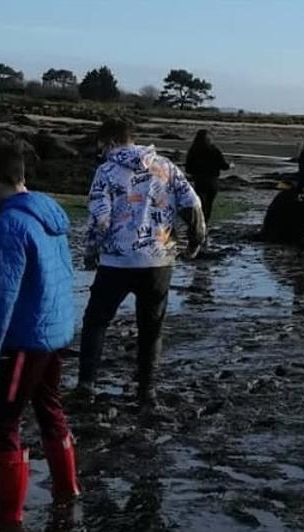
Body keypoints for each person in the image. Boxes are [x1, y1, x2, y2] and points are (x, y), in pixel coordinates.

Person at [0, 145, 80, 530]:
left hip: (26, 338)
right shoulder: (48, 211)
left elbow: (0, 297)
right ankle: (67, 490)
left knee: (4, 421)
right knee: (50, 407)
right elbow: (64, 273)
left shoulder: (9, 225)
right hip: (56, 330)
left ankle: (9, 517)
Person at [77, 118, 205, 408]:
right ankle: (147, 390)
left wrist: (90, 251)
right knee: (151, 326)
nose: (99, 151)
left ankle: (87, 385)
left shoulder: (106, 170)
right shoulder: (166, 166)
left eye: (100, 145)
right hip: (158, 262)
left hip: (117, 261)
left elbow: (100, 217)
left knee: (96, 321)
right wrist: (196, 241)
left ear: (109, 142)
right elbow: (192, 204)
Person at [184, 129, 231, 223]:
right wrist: (230, 165)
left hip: (200, 181)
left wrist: (195, 172)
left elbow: (188, 168)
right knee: (209, 204)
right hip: (212, 181)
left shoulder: (193, 150)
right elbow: (223, 166)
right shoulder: (214, 150)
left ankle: (199, 224)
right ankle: (205, 223)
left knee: (200, 204)